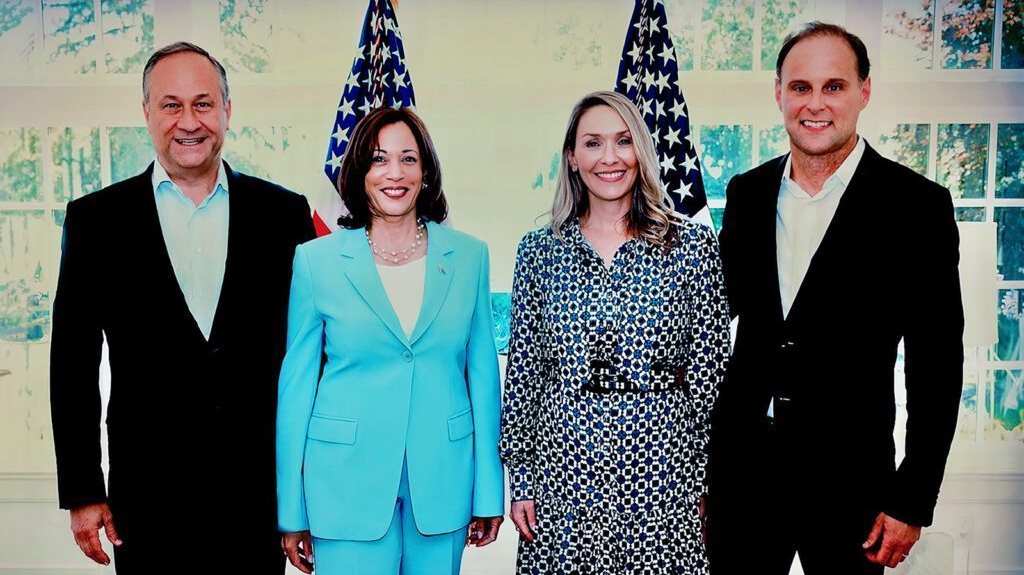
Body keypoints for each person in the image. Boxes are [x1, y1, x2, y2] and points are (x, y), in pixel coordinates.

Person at [707, 22, 964, 574]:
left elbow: (937, 366)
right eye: (800, 87)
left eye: (834, 86)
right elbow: (706, 327)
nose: (815, 104)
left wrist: (913, 498)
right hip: (741, 482)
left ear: (864, 91)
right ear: (779, 93)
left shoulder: (917, 207)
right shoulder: (746, 194)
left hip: (855, 492)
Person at [49, 42, 315, 573]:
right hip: (145, 505)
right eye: (171, 105)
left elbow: (313, 357)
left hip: (257, 501)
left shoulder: (283, 215)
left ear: (227, 111)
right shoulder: (96, 221)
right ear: (146, 113)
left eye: (203, 103)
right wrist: (83, 490)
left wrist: (307, 492)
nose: (188, 121)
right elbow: (72, 364)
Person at [499, 90, 729, 574]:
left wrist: (711, 482)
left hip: (666, 484)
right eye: (593, 143)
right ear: (572, 157)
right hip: (564, 485)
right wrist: (521, 479)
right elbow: (525, 376)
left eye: (623, 141)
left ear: (641, 151)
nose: (610, 158)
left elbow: (710, 376)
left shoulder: (691, 247)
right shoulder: (539, 253)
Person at [276, 106, 504, 575]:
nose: (394, 174)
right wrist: (291, 510)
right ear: (360, 172)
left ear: (426, 172)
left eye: (408, 159)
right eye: (379, 160)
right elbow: (295, 390)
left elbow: (483, 378)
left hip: (443, 484)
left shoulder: (469, 257)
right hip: (342, 488)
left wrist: (488, 490)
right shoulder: (316, 262)